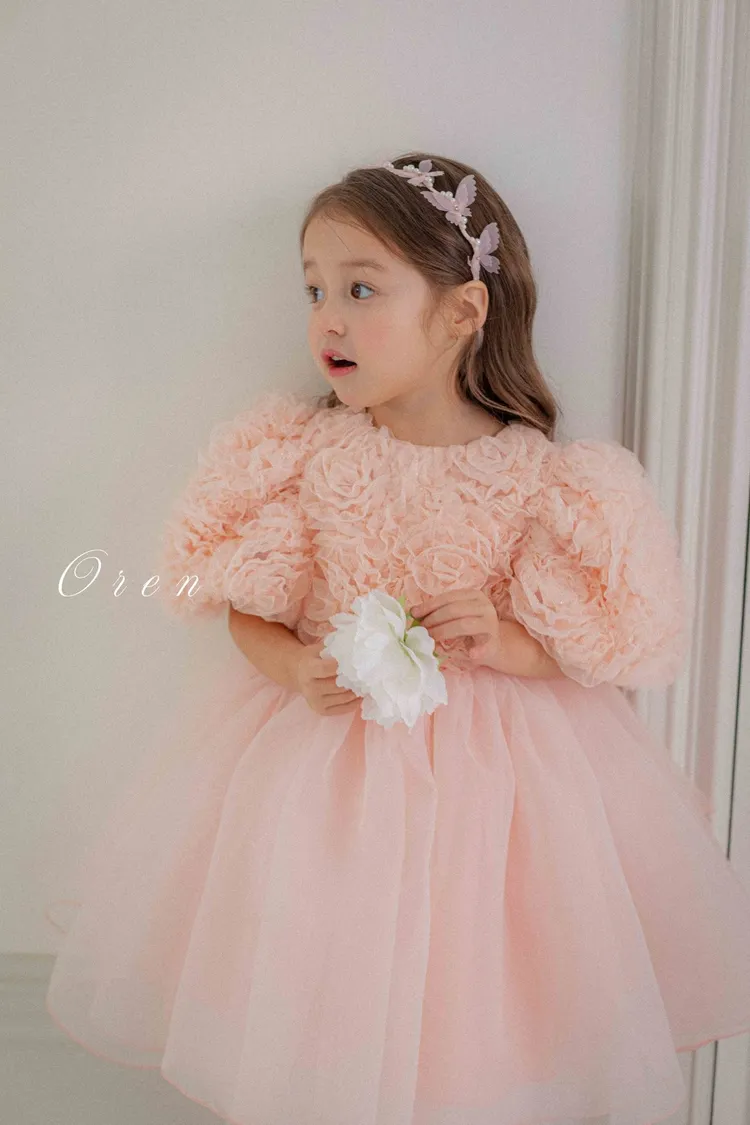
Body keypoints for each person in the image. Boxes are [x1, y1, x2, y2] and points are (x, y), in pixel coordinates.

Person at [44, 153, 750, 1125]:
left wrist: (507, 642)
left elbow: (594, 642)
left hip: (496, 796)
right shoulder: (304, 455)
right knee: (322, 992)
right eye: (315, 290)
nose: (328, 319)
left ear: (462, 312)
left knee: (473, 996)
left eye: (361, 289)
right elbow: (245, 602)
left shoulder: (543, 480)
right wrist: (295, 664)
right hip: (323, 781)